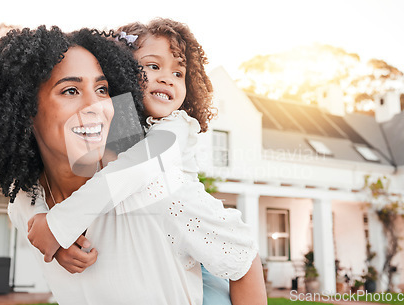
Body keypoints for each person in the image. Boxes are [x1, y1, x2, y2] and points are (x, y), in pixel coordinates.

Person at [24, 19, 267, 304]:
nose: (167, 78)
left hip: (196, 256)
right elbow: (35, 183)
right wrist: (45, 222)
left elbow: (136, 168)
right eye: (153, 67)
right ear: (122, 70)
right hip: (168, 248)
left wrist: (58, 227)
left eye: (178, 73)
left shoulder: (174, 126)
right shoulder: (119, 122)